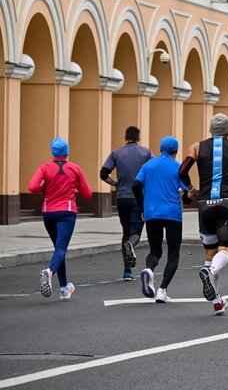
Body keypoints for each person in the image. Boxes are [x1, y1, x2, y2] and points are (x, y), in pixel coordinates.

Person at [179, 113, 228, 315]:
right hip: (226, 203)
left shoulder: (196, 147)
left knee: (210, 253)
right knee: (225, 251)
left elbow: (182, 172)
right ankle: (211, 271)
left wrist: (191, 189)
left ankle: (217, 301)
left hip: (204, 204)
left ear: (210, 130)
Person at [30, 138, 93, 301]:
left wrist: (44, 188)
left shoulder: (45, 167)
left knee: (59, 249)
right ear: (67, 151)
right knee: (61, 247)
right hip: (67, 212)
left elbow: (32, 187)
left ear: (53, 151)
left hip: (48, 212)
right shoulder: (75, 168)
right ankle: (49, 271)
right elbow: (87, 194)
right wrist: (75, 185)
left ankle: (64, 288)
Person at [133, 136, 186, 303]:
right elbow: (187, 191)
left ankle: (149, 270)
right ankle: (162, 290)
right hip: (173, 215)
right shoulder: (178, 167)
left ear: (161, 148)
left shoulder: (148, 165)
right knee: (173, 254)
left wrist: (143, 207)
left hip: (152, 214)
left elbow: (135, 186)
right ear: (175, 151)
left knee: (155, 251)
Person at [100, 126, 153, 280]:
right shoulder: (146, 153)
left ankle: (127, 271)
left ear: (125, 137)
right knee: (135, 233)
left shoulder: (116, 153)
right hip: (138, 197)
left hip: (122, 197)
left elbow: (103, 173)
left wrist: (116, 184)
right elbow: (153, 171)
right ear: (139, 138)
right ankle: (131, 245)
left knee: (126, 232)